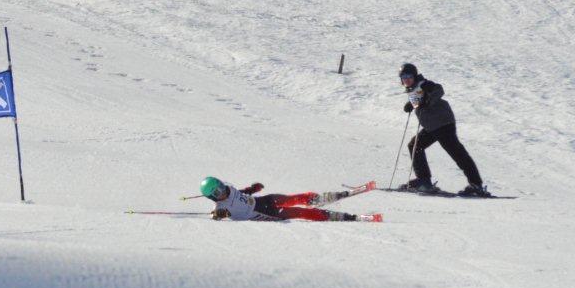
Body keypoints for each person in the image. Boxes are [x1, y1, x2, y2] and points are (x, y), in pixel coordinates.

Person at [398, 63, 487, 196]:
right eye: (403, 77)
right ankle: (424, 181)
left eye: (409, 76)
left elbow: (438, 90)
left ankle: (476, 185)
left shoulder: (423, 84)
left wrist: (429, 98)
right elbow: (421, 100)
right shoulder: (413, 88)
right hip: (432, 126)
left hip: (443, 124)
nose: (407, 80)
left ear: (414, 76)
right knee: (415, 145)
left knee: (457, 152)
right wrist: (411, 104)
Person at [199, 176, 377, 222]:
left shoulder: (228, 189)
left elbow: (238, 194)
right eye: (217, 193)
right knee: (301, 212)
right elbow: (216, 215)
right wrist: (219, 215)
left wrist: (252, 189)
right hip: (266, 213)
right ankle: (347, 217)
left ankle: (328, 197)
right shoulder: (221, 207)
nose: (222, 192)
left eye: (220, 187)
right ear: (212, 197)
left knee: (298, 198)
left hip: (265, 201)